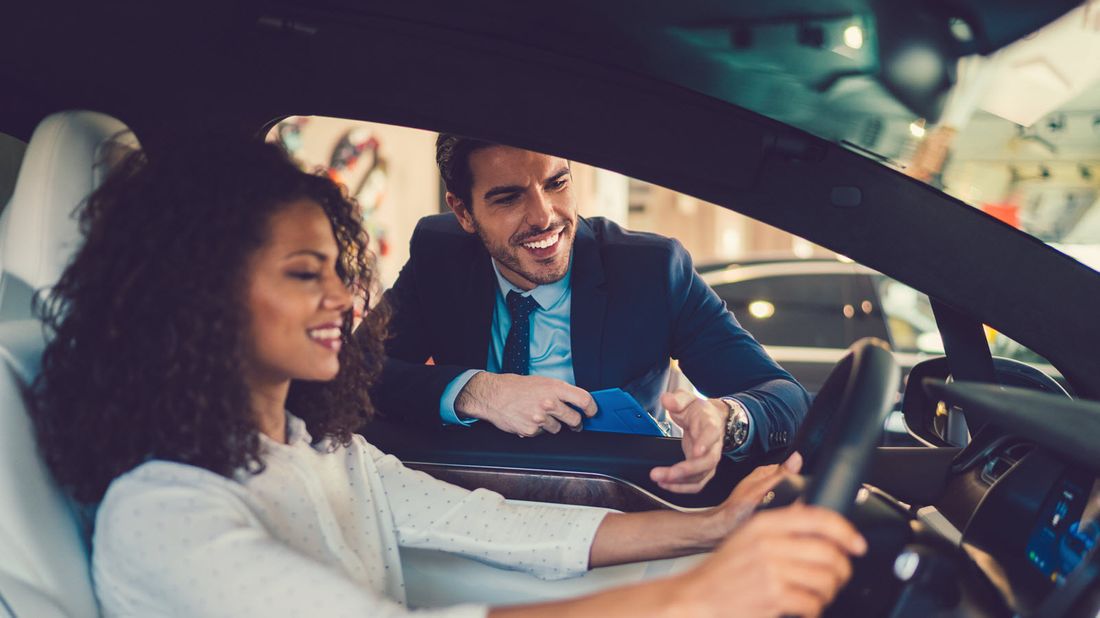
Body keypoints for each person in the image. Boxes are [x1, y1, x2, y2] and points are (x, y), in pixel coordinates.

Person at [30, 137, 863, 618]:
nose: (343, 299)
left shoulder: (315, 451)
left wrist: (710, 527)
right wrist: (698, 598)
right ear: (198, 296)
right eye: (301, 274)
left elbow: (492, 524)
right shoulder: (164, 514)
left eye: (337, 269)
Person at [370, 135, 811, 493]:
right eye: (508, 199)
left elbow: (784, 397)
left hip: (613, 500)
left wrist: (725, 419)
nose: (545, 217)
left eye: (556, 184)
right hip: (466, 499)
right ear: (464, 212)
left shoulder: (651, 270)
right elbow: (357, 372)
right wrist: (479, 392)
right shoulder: (438, 253)